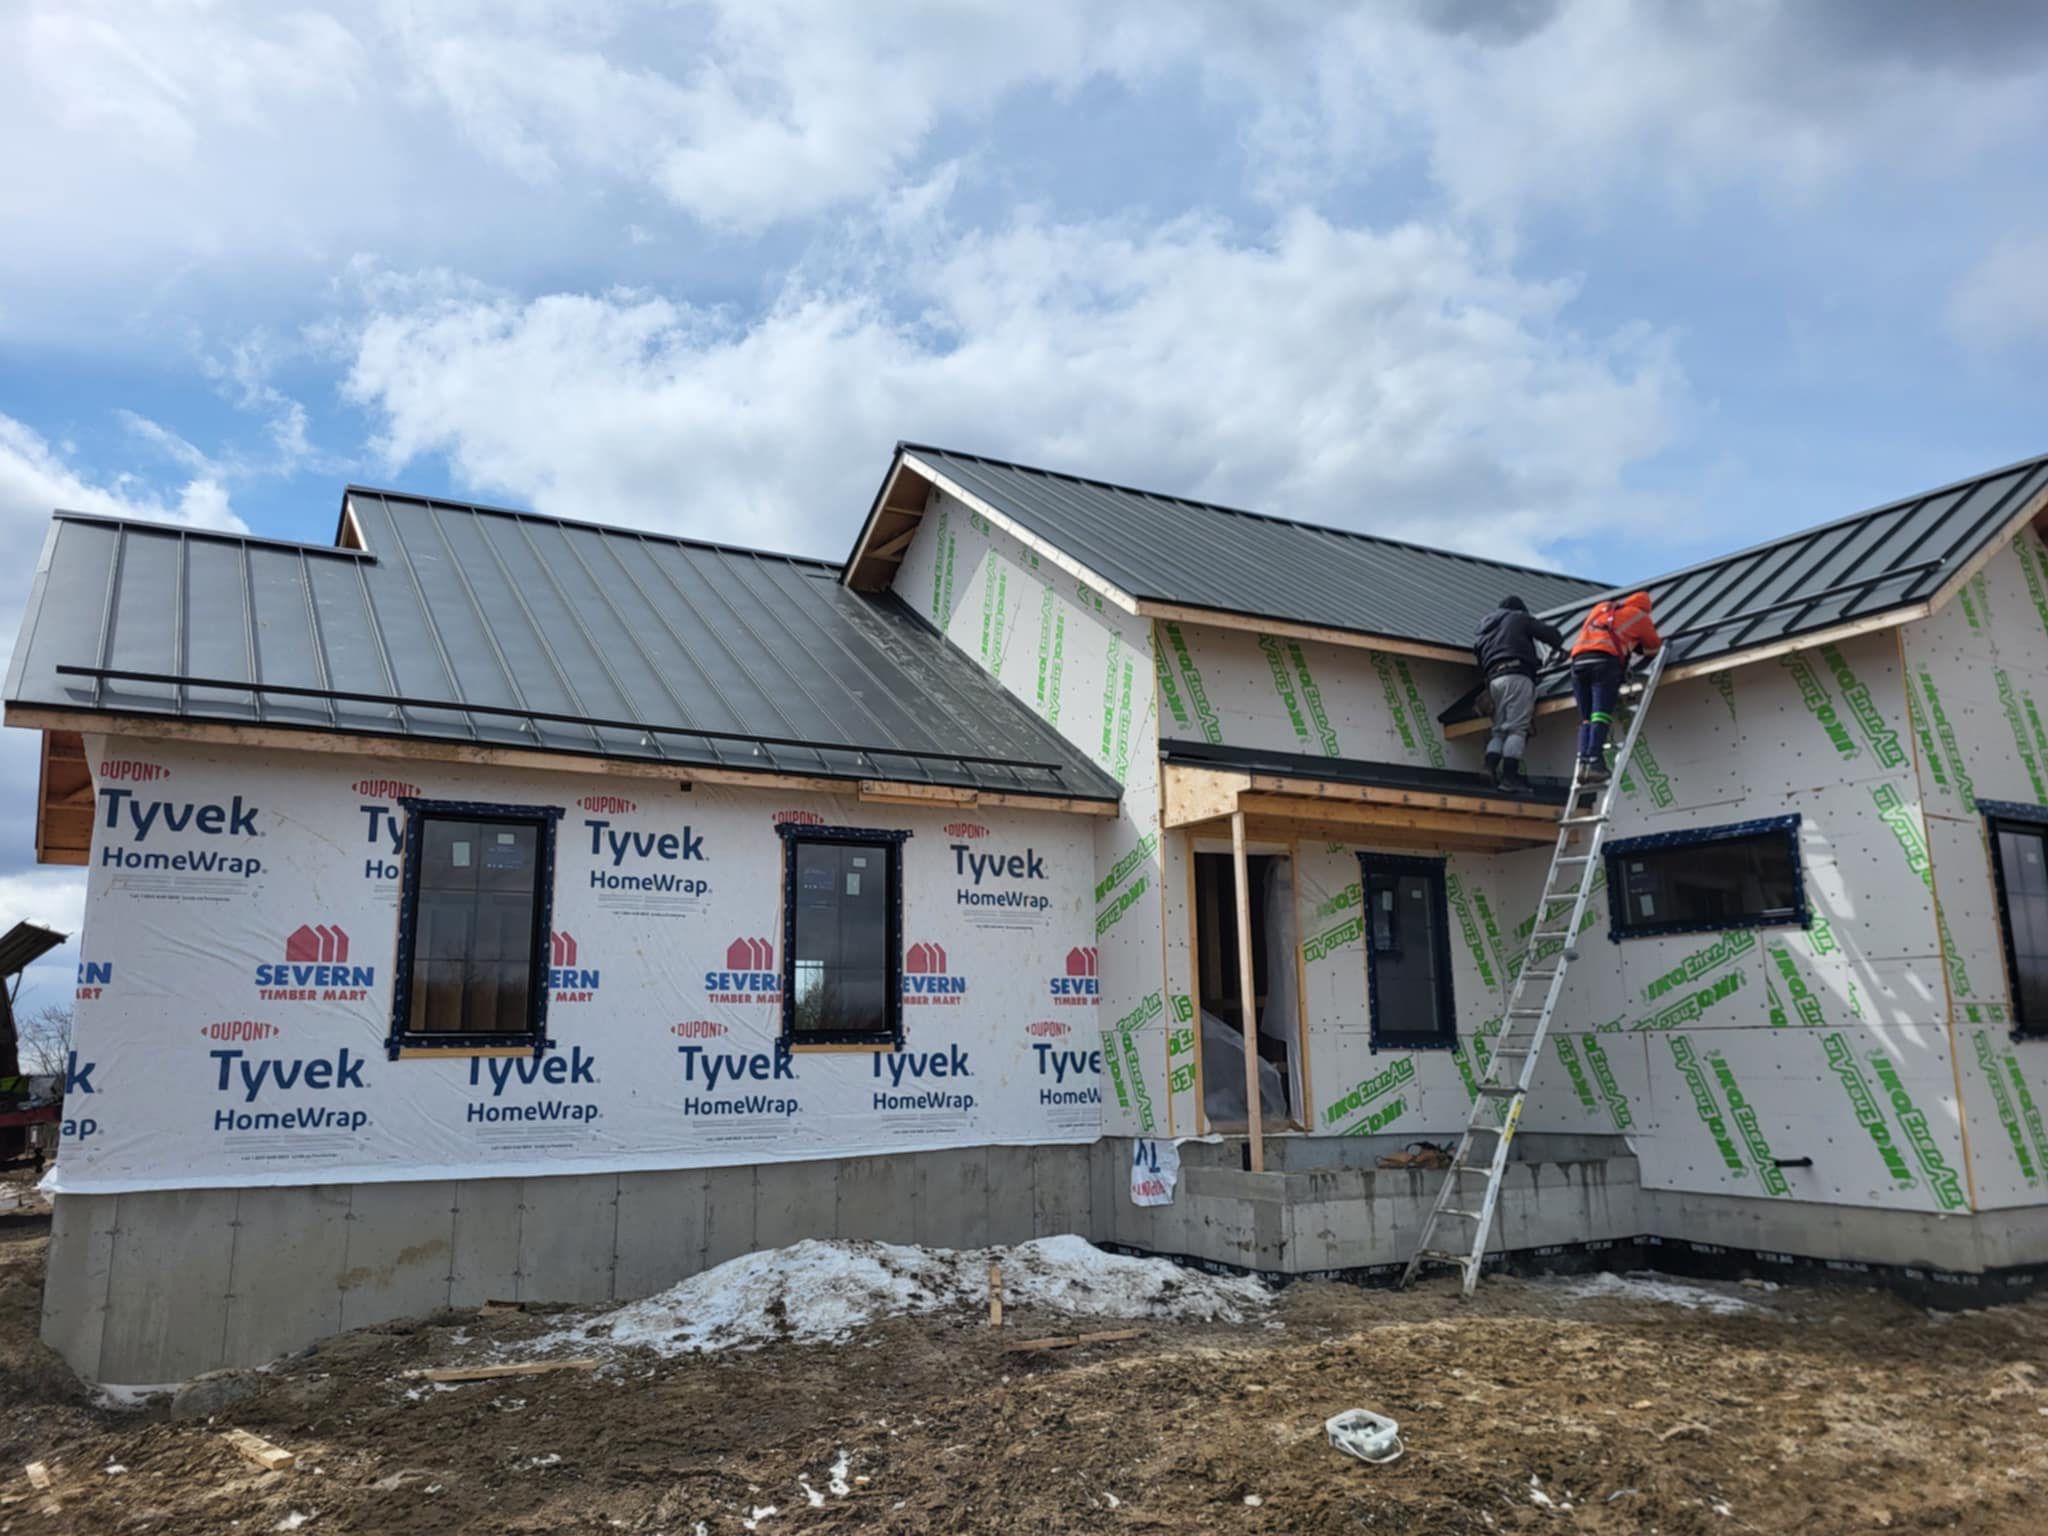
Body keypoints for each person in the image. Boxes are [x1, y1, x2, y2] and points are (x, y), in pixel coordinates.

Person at [1471, 595, 1564, 794]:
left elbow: (1479, 656)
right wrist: (1558, 645)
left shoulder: (1483, 629)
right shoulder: (1518, 617)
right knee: (1517, 730)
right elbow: (1550, 635)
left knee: (1499, 730)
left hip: (1494, 681)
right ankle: (1509, 777)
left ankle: (1489, 767)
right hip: (1517, 675)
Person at [1569, 590, 1661, 783]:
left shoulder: (1601, 608)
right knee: (1600, 714)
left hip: (1577, 663)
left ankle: (1583, 762)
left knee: (1586, 718)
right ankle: (1594, 761)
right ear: (1646, 608)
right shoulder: (1640, 616)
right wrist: (1635, 646)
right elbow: (1653, 647)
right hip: (1603, 663)